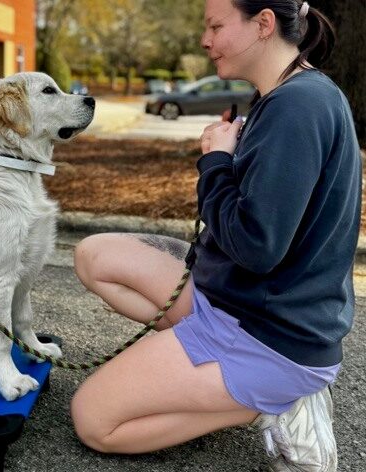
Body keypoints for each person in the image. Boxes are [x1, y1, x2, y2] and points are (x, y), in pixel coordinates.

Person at [70, 1, 361, 471]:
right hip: (235, 298)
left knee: (94, 420)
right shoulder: (283, 95)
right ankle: (209, 375)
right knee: (93, 256)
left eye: (215, 26)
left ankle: (270, 404)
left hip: (269, 334)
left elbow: (255, 246)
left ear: (263, 24)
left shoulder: (298, 107)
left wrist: (215, 162)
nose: (205, 40)